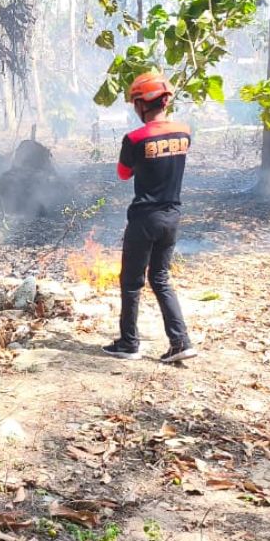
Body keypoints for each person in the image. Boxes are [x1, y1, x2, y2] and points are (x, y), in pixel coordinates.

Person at [103, 71, 197, 364]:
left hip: (145, 218)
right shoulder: (184, 131)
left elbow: (122, 174)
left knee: (131, 281)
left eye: (135, 102)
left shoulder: (134, 138)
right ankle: (180, 341)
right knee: (160, 278)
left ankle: (129, 343)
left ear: (143, 104)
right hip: (172, 216)